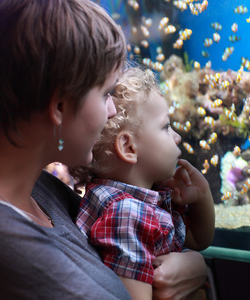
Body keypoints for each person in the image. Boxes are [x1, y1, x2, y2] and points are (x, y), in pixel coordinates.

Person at [0, 0, 208, 299]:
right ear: (60, 106)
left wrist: (193, 267)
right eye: (105, 94)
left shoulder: (41, 189)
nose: (113, 111)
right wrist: (190, 272)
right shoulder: (0, 239)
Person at [71, 66, 215, 300]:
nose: (177, 137)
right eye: (166, 127)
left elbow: (200, 240)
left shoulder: (145, 198)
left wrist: (201, 194)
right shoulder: (126, 214)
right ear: (129, 148)